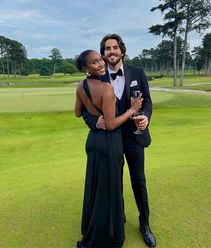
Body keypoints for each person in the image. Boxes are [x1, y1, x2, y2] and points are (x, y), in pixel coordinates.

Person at [82, 34, 156, 247]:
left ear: (121, 50)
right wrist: (95, 121)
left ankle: (145, 224)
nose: (111, 51)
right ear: (103, 54)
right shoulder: (97, 78)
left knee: (138, 181)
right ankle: (118, 218)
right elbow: (86, 111)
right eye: (107, 49)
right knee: (114, 182)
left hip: (135, 138)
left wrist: (146, 119)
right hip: (109, 140)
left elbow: (148, 103)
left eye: (115, 47)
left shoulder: (138, 73)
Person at [74, 49, 143, 248]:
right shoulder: (106, 88)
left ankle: (91, 226)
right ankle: (109, 236)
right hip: (109, 143)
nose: (100, 63)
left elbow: (78, 113)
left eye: (100, 59)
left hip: (93, 143)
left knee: (95, 187)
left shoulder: (81, 86)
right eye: (94, 62)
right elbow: (112, 124)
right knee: (110, 189)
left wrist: (95, 120)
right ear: (86, 68)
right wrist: (131, 110)